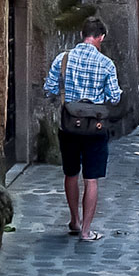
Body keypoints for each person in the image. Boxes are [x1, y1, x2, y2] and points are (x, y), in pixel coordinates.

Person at [42, 16, 120, 242]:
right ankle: (86, 231)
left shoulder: (63, 59)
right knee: (92, 179)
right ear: (100, 37)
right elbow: (114, 98)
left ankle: (74, 220)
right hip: (94, 128)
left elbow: (49, 89)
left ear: (82, 34)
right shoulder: (106, 64)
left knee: (70, 173)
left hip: (69, 126)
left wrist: (66, 97)